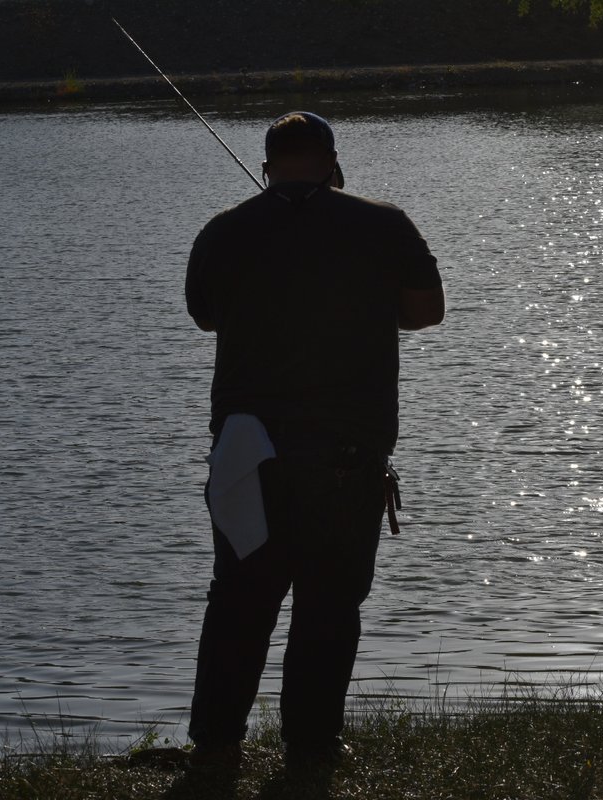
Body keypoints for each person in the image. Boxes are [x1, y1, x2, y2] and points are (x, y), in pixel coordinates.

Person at [183, 111, 444, 772]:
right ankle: (311, 748)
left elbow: (205, 315)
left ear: (268, 167)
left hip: (248, 451)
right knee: (329, 599)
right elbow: (425, 311)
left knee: (240, 598)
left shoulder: (223, 229)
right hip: (345, 452)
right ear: (332, 162)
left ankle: (216, 746)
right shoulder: (384, 223)